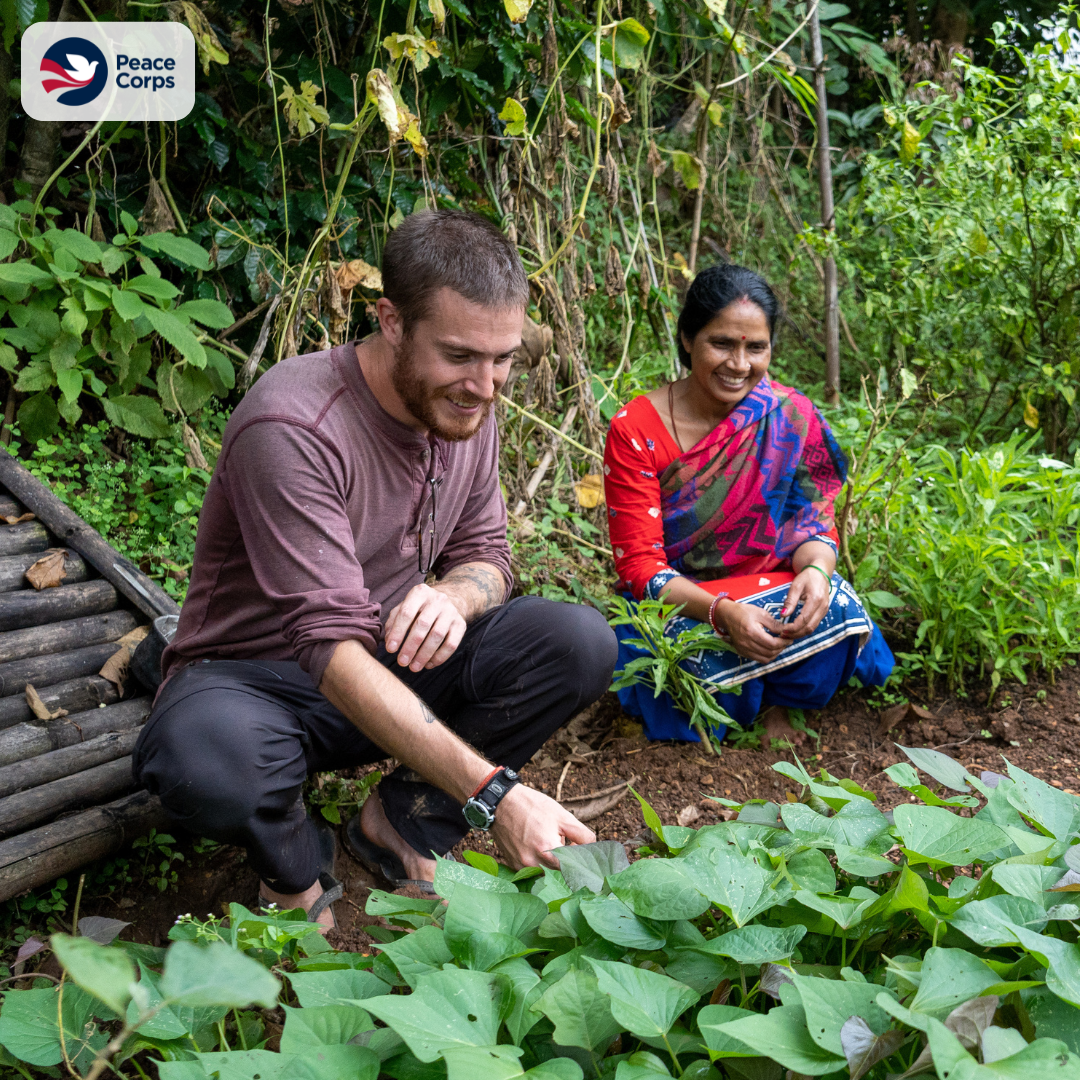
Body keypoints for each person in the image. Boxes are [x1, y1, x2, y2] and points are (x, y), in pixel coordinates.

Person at [133, 210, 617, 929]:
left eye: (502, 358)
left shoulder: (465, 406)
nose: (485, 386)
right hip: (262, 681)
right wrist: (496, 795)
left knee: (576, 642)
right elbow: (326, 648)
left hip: (385, 662)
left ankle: (405, 821)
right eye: (459, 356)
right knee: (205, 763)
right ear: (390, 320)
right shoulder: (295, 426)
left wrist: (455, 595)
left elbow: (489, 555)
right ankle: (292, 864)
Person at [602, 264, 893, 747]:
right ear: (688, 339)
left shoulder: (790, 415)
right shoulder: (636, 428)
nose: (739, 363)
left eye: (755, 348)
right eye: (722, 343)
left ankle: (780, 702)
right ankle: (740, 699)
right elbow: (639, 566)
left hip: (766, 590)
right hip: (680, 602)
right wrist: (722, 613)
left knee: (834, 604)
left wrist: (817, 572)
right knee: (658, 667)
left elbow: (811, 520)